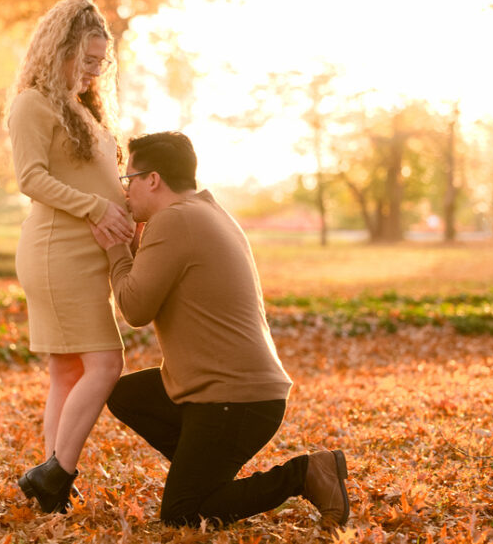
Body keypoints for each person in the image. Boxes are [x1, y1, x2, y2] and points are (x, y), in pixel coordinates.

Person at [88, 131, 350, 528]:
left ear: (153, 179)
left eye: (129, 180)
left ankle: (306, 473)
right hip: (232, 391)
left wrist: (115, 248)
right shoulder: (205, 211)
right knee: (127, 395)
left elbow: (135, 308)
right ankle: (206, 477)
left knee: (183, 514)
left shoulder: (173, 220)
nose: (125, 192)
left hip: (234, 399)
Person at [5, 0, 135, 513]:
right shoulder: (32, 103)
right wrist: (96, 210)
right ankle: (58, 471)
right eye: (85, 60)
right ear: (57, 50)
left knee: (67, 371)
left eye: (100, 62)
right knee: (105, 362)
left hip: (88, 251)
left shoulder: (82, 108)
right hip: (58, 252)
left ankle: (50, 481)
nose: (93, 70)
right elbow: (30, 178)